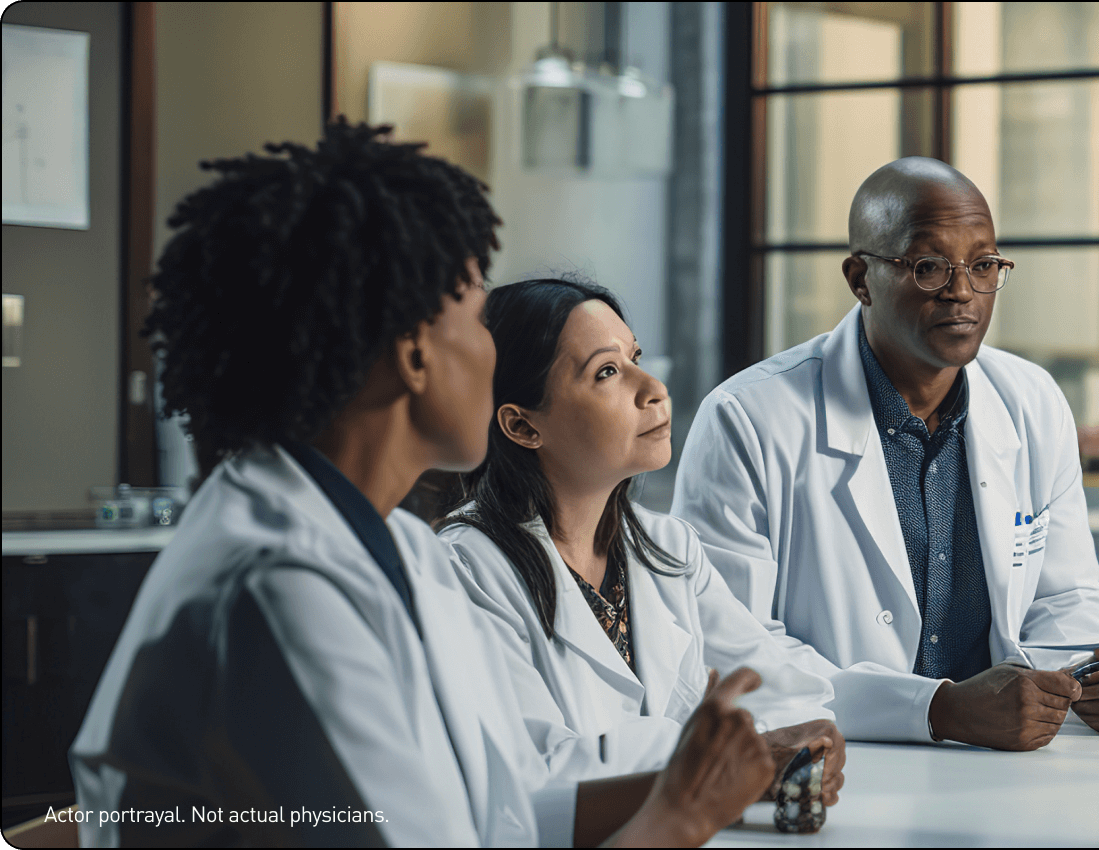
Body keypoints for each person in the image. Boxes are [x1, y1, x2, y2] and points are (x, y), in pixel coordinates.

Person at [70, 120, 776, 846]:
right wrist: (675, 818)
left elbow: (505, 809)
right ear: (413, 354)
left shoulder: (399, 547)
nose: (492, 349)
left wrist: (704, 782)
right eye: (476, 316)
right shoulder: (278, 588)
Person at [671, 157, 1099, 750]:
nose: (962, 292)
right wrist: (934, 709)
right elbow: (733, 650)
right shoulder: (748, 418)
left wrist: (1095, 672)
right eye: (928, 267)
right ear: (860, 278)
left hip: (1006, 760)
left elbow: (1064, 595)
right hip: (839, 758)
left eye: (983, 265)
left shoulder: (1032, 401)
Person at [437, 277, 846, 806]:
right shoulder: (468, 568)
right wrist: (725, 759)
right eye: (607, 371)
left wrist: (749, 754)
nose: (652, 387)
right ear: (522, 425)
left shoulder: (667, 546)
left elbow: (795, 700)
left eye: (635, 356)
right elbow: (534, 770)